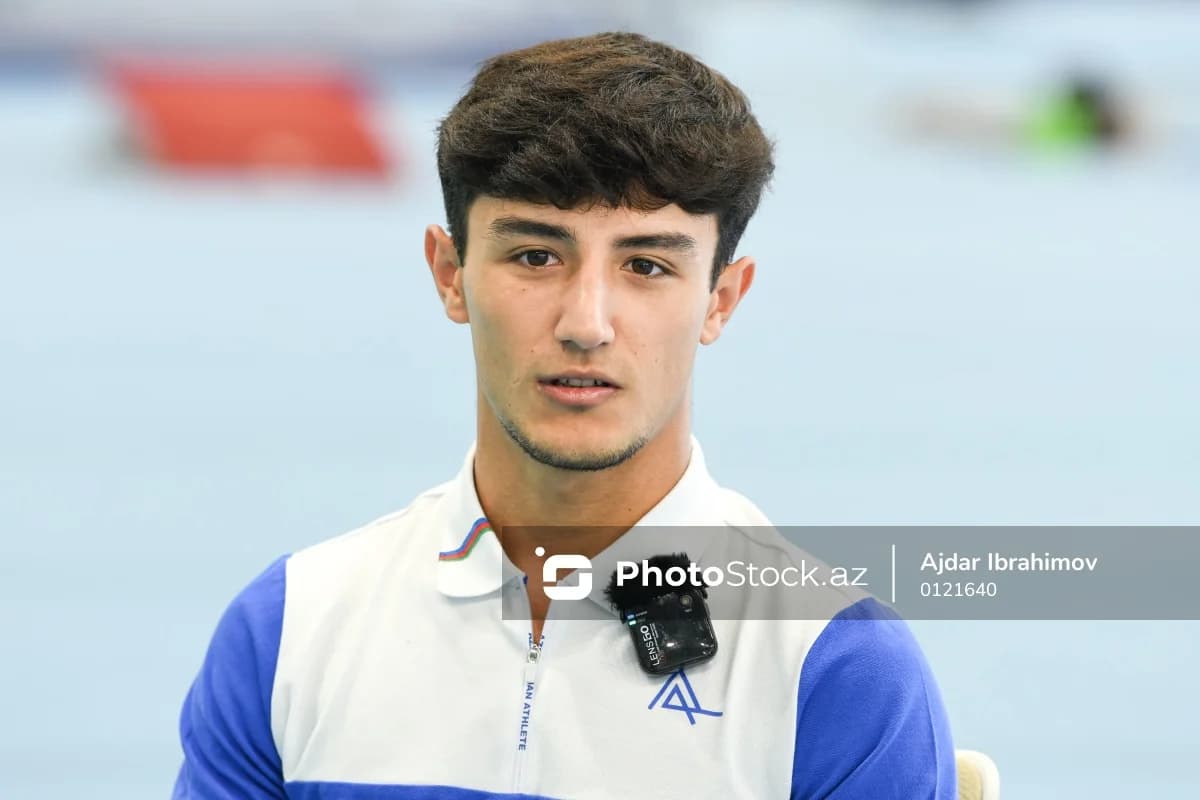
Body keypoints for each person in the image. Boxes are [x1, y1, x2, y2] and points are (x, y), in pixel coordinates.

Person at [173, 31, 956, 799]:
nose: (587, 323)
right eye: (536, 256)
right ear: (451, 275)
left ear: (720, 299)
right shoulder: (292, 629)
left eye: (646, 265)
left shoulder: (831, 662)